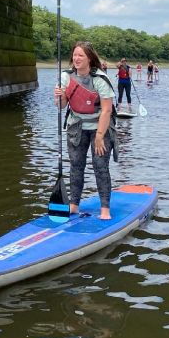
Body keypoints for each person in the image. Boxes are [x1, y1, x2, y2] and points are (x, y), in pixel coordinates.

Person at [54, 41, 117, 220]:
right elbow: (62, 105)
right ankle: (73, 205)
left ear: (89, 58)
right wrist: (58, 97)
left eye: (81, 55)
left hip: (100, 126)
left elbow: (107, 110)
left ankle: (105, 209)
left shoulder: (100, 79)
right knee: (76, 165)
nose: (77, 58)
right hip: (77, 127)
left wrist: (99, 136)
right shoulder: (65, 76)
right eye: (75, 55)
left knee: (100, 166)